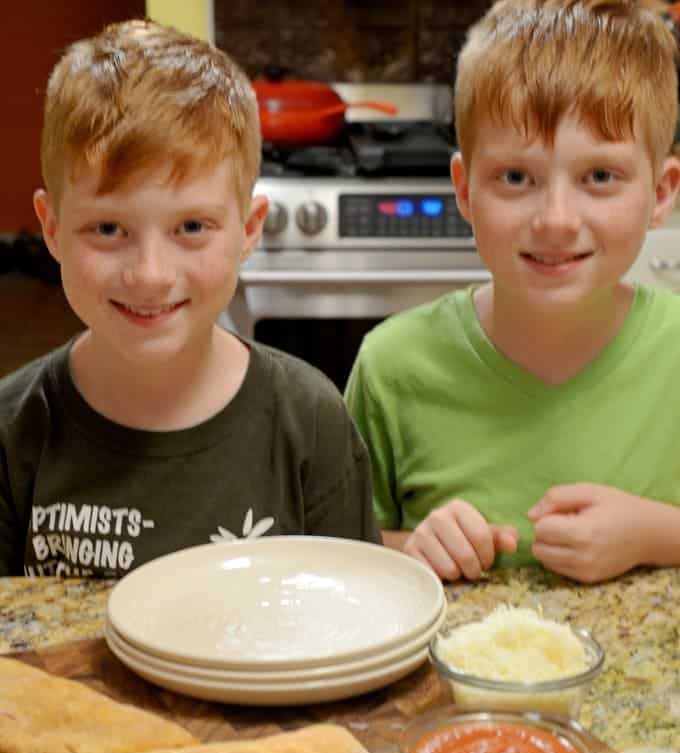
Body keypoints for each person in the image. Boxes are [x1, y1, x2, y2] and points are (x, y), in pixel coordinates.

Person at [0, 20, 380, 578]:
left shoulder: (311, 422)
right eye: (108, 229)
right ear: (51, 229)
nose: (150, 275)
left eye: (192, 227)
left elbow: (354, 623)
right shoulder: (14, 430)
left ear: (250, 229)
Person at [345, 0, 680, 585]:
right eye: (515, 177)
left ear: (660, 192)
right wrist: (409, 549)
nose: (555, 219)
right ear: (465, 191)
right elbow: (339, 550)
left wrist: (652, 533)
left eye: (599, 177)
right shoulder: (391, 368)